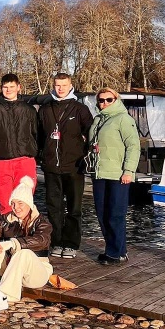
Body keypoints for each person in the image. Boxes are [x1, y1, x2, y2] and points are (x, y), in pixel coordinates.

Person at [0, 176, 52, 312]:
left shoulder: (42, 222)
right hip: (9, 270)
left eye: (20, 204)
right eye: (13, 203)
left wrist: (13, 243)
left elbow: (41, 240)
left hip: (35, 273)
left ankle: (4, 295)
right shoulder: (5, 218)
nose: (16, 208)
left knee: (23, 253)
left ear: (29, 204)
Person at [38, 72, 94, 259]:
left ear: (71, 85)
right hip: (51, 166)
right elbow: (38, 135)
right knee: (54, 207)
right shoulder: (45, 109)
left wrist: (85, 154)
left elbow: (91, 133)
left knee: (74, 207)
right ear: (53, 86)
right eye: (57, 85)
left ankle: (71, 243)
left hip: (74, 166)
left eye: (64, 85)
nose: (60, 89)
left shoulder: (80, 109)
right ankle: (56, 241)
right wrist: (41, 156)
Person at [88, 88, 140, 265]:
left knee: (115, 214)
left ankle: (114, 253)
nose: (104, 103)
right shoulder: (98, 119)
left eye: (108, 100)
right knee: (102, 214)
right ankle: (119, 250)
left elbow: (133, 146)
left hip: (118, 174)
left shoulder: (124, 119)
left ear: (116, 99)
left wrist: (129, 171)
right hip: (99, 172)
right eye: (101, 100)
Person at [0, 73, 38, 216]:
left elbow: (37, 134)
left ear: (19, 87)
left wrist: (35, 151)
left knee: (24, 202)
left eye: (12, 86)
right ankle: (7, 234)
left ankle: (24, 236)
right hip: (0, 161)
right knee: (4, 203)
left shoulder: (29, 110)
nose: (8, 90)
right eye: (5, 87)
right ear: (1, 88)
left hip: (24, 161)